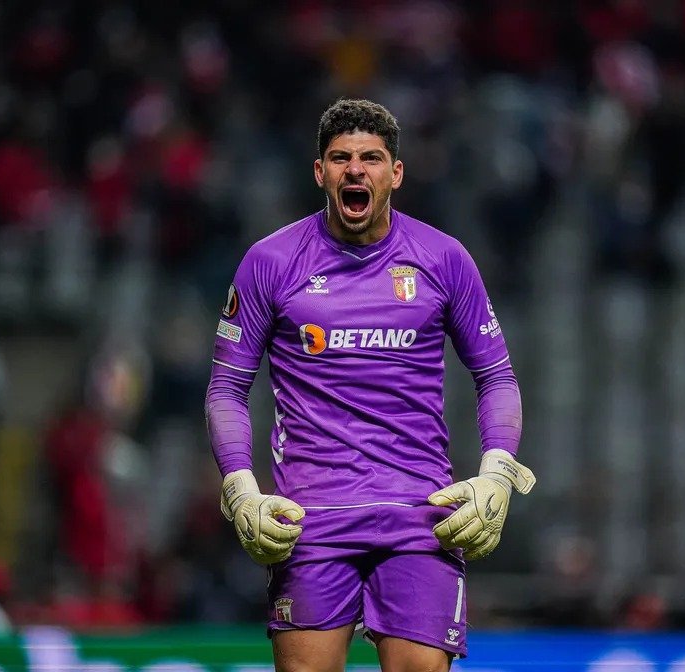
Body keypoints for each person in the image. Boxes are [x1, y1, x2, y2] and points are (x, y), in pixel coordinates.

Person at [204, 98, 536, 672]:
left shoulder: (444, 259)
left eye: (371, 158)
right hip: (311, 521)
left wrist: (498, 475)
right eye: (340, 158)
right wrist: (240, 489)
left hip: (420, 515)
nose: (356, 169)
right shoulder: (269, 262)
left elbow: (497, 376)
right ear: (320, 172)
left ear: (395, 173)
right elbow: (226, 390)